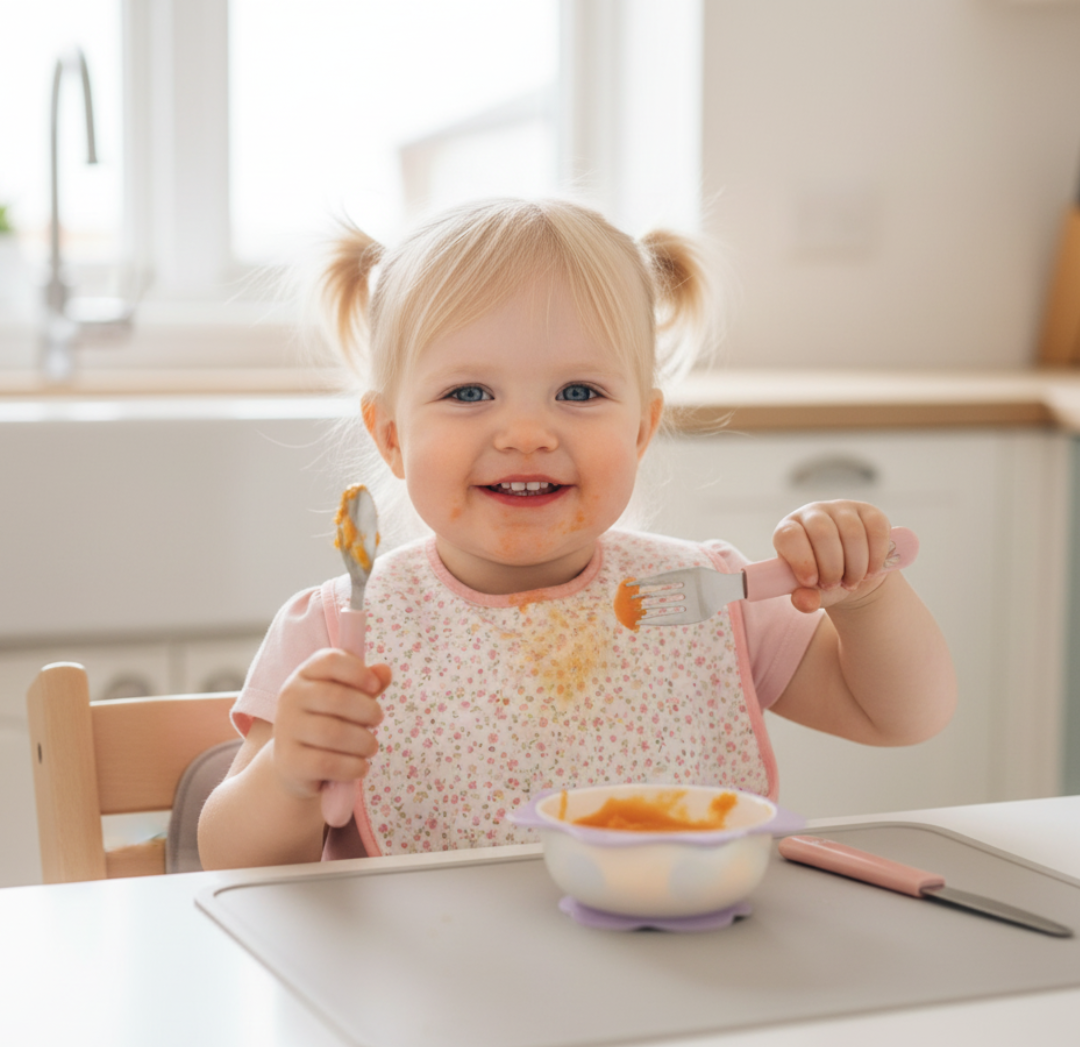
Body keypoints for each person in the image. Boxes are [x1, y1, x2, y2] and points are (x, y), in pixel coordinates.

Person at [198, 197, 956, 870]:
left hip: (680, 977)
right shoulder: (337, 634)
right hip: (439, 999)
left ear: (641, 428)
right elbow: (231, 859)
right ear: (391, 437)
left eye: (579, 392)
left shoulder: (709, 598)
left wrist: (865, 598)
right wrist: (289, 776)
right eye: (468, 393)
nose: (527, 432)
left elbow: (899, 714)